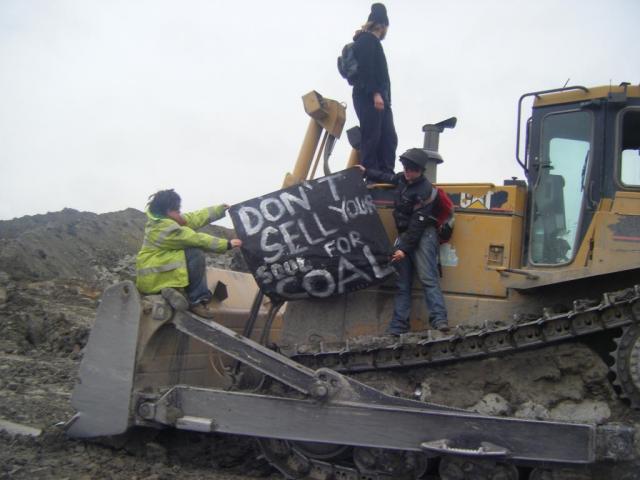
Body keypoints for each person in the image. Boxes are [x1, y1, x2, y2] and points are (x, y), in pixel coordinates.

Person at [358, 148, 449, 334]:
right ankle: (399, 326)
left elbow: (418, 223)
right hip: (405, 233)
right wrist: (365, 171)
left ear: (421, 170)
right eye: (406, 168)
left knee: (427, 278)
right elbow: (387, 177)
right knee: (402, 283)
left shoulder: (426, 191)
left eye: (412, 169)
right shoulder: (402, 179)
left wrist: (403, 249)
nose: (408, 172)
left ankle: (439, 320)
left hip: (422, 234)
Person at [135, 189, 242, 319]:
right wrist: (227, 244)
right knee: (194, 253)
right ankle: (196, 301)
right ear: (168, 211)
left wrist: (219, 209)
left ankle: (170, 291)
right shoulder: (165, 229)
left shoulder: (163, 221)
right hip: (153, 277)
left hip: (156, 275)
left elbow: (194, 218)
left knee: (184, 254)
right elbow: (196, 239)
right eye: (177, 210)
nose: (180, 213)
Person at [351, 3, 398, 175]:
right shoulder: (367, 40)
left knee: (388, 137)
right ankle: (372, 172)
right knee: (372, 135)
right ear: (382, 25)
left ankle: (385, 173)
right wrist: (375, 94)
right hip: (369, 96)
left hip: (379, 98)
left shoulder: (371, 41)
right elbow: (366, 69)